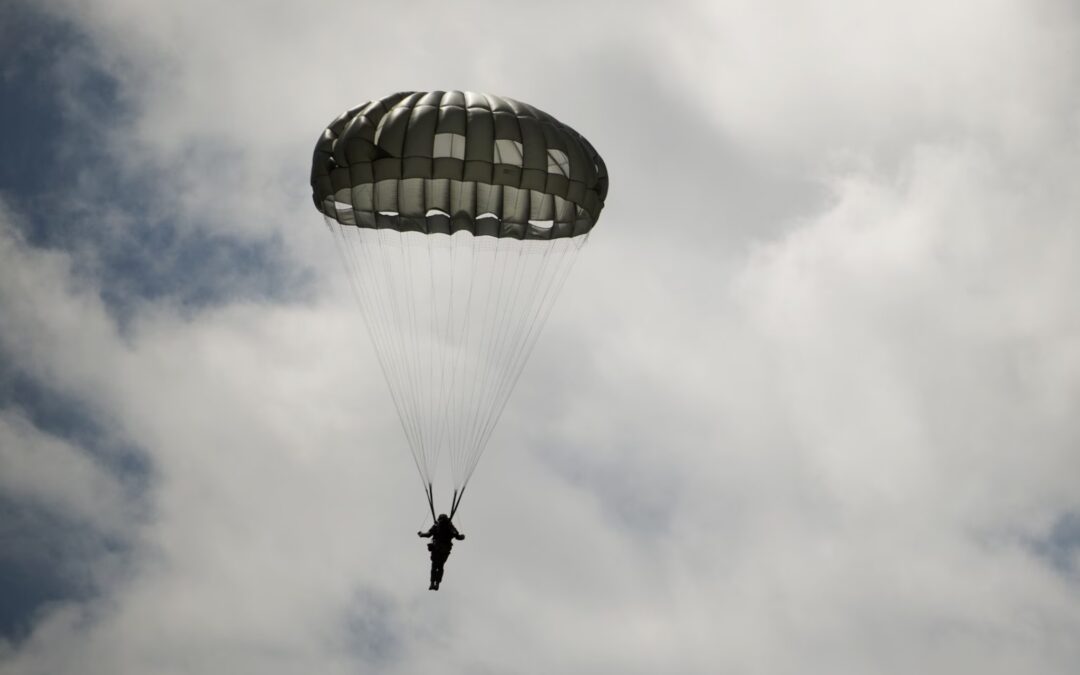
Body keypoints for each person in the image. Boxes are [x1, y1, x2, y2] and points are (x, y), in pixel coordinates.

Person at [418, 514, 465, 590]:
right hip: (444, 550)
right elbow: (457, 536)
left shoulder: (438, 525)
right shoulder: (449, 526)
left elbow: (428, 534)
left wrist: (421, 534)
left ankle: (433, 583)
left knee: (434, 567)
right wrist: (461, 537)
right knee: (440, 567)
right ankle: (436, 583)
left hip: (437, 549)